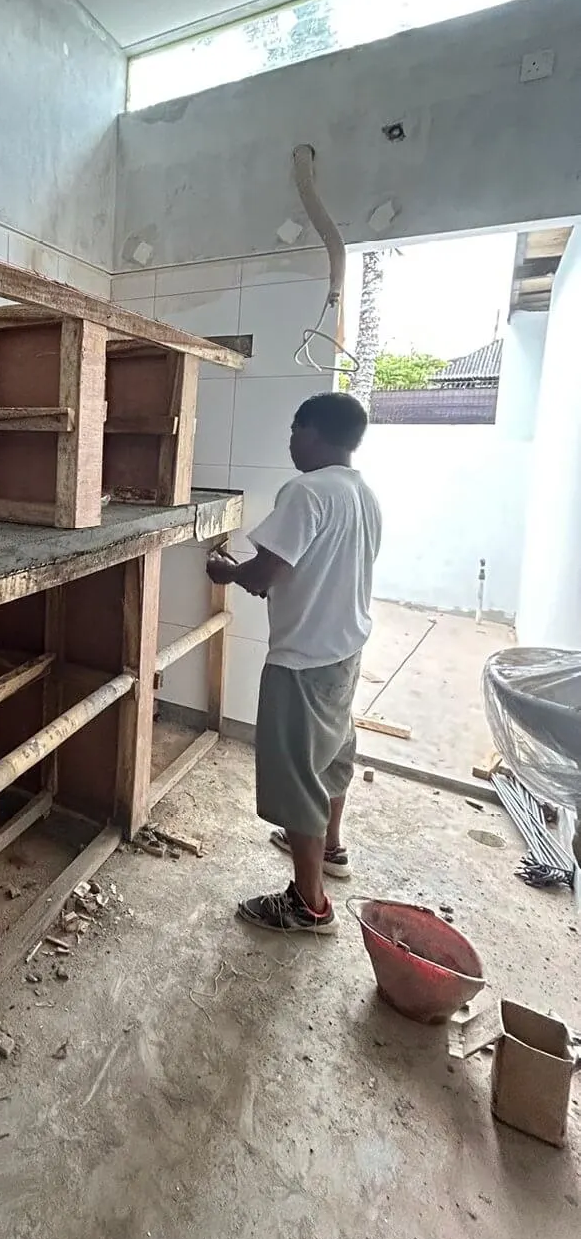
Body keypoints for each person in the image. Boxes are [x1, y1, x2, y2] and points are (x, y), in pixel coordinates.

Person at [207, 391, 381, 933]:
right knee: (331, 756)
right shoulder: (362, 492)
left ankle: (310, 904)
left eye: (293, 430)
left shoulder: (307, 491)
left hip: (303, 660)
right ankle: (329, 846)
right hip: (344, 650)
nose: (290, 441)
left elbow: (265, 575)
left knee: (296, 776)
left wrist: (227, 570)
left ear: (312, 431)